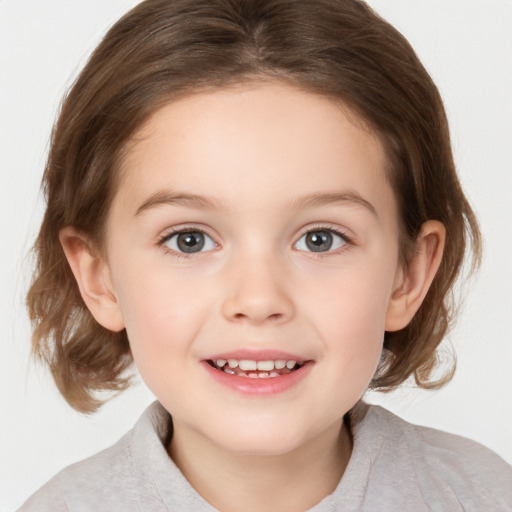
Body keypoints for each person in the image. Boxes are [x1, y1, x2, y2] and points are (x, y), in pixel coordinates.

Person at [19, 0, 512, 510]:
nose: (258, 300)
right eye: (189, 239)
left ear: (408, 273)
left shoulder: (483, 495)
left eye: (321, 239)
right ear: (99, 277)